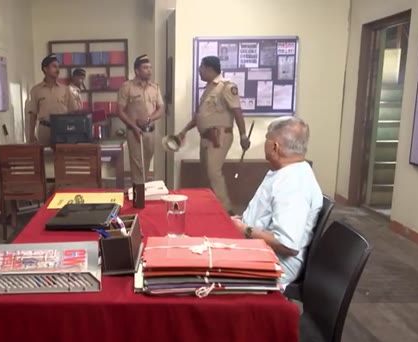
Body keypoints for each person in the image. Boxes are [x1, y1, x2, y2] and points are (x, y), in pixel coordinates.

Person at [231, 116, 323, 288]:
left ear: (275, 147)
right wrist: (243, 221)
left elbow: (287, 245)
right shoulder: (285, 171)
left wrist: (244, 229)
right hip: (257, 248)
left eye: (267, 138)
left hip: (275, 263)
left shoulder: (294, 184)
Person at [177, 56, 250, 214]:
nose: (199, 71)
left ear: (210, 69)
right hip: (206, 137)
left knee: (213, 172)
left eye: (201, 68)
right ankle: (210, 207)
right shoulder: (209, 88)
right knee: (206, 173)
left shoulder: (226, 87)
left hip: (220, 136)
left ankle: (226, 210)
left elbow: (237, 111)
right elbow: (199, 116)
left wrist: (243, 135)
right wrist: (184, 131)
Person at [117, 54, 164, 184]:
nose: (149, 70)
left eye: (150, 67)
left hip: (150, 132)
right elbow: (120, 111)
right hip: (135, 132)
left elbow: (161, 109)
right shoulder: (127, 87)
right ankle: (139, 193)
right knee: (137, 167)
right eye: (145, 68)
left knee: (146, 165)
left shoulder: (155, 87)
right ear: (137, 71)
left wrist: (149, 118)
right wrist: (134, 127)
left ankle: (143, 190)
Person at [25, 54, 81, 145]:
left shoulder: (65, 89)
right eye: (54, 67)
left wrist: (74, 134)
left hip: (62, 129)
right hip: (44, 130)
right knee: (45, 153)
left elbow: (73, 113)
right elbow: (33, 115)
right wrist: (31, 136)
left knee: (62, 153)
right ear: (45, 69)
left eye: (58, 67)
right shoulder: (36, 90)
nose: (58, 70)